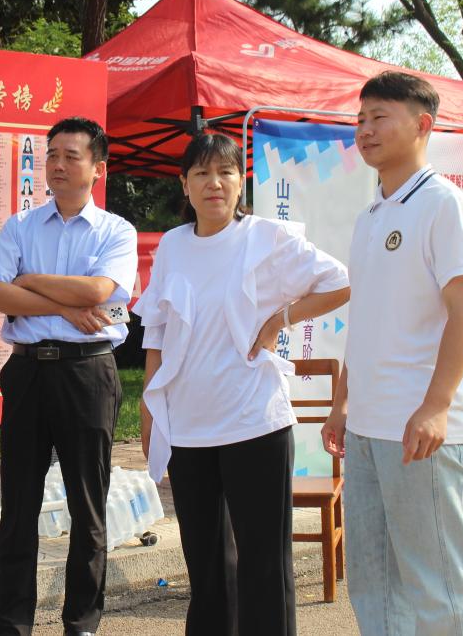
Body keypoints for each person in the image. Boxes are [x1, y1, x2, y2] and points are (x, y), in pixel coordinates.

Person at [132, 133, 349, 634]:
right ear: (184, 184)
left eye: (226, 172)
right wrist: (149, 410)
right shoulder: (173, 245)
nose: (215, 183)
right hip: (188, 427)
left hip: (254, 422)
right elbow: (157, 332)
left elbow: (340, 282)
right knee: (206, 567)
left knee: (263, 565)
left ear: (239, 182)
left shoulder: (265, 238)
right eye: (202, 173)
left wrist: (280, 320)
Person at [321, 71, 463, 635]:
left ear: (422, 125)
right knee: (375, 581)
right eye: (360, 119)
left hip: (421, 429)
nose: (365, 130)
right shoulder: (371, 215)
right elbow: (366, 319)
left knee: (438, 583)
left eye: (379, 117)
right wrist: (342, 404)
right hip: (368, 428)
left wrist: (437, 405)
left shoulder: (443, 205)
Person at [0, 117, 137, 635]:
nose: (58, 165)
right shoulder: (21, 225)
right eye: (52, 155)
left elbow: (98, 293)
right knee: (18, 506)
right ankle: (12, 623)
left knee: (88, 505)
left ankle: (81, 622)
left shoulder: (116, 230)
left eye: (71, 156)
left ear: (98, 168)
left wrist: (29, 282)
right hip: (27, 372)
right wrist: (63, 307)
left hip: (87, 373)